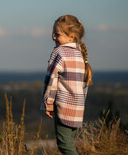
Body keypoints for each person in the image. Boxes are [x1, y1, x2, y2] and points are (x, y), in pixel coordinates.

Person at [41, 14, 92, 155]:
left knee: (64, 146)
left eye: (57, 34)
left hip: (63, 107)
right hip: (77, 109)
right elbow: (83, 86)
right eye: (53, 34)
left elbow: (51, 80)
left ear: (72, 37)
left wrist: (48, 103)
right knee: (69, 143)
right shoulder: (80, 54)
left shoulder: (59, 52)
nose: (53, 37)